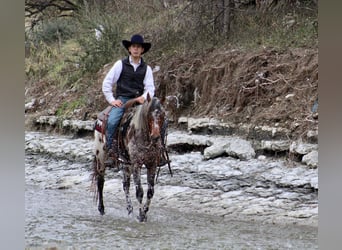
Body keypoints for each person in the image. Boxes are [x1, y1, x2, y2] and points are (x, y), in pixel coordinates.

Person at [102, 34, 155, 165]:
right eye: (133, 47)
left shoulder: (146, 68)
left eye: (138, 47)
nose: (136, 49)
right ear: (129, 49)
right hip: (123, 100)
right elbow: (107, 83)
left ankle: (157, 151)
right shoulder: (120, 64)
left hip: (139, 101)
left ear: (142, 50)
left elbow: (150, 88)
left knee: (156, 119)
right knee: (113, 121)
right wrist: (112, 100)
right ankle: (110, 151)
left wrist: (143, 97)